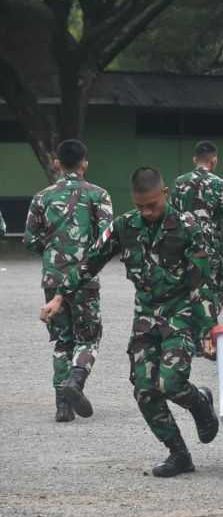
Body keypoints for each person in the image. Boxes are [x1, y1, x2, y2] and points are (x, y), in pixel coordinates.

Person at [40, 166, 219, 477]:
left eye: (152, 205)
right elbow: (90, 262)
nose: (147, 212)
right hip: (146, 318)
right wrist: (59, 296)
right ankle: (179, 455)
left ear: (165, 193)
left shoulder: (188, 226)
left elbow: (202, 282)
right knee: (145, 390)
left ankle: (200, 402)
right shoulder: (124, 226)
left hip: (181, 313)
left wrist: (208, 330)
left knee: (172, 383)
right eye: (140, 206)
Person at [24, 139, 113, 422]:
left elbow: (29, 239)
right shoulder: (99, 195)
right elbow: (108, 238)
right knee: (88, 337)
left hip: (52, 278)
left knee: (63, 340)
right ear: (85, 163)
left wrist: (52, 254)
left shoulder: (42, 197)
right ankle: (76, 382)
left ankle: (62, 405)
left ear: (57, 163)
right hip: (85, 278)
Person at [171, 141, 223, 326]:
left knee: (187, 286)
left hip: (184, 245)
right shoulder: (219, 184)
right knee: (221, 286)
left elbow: (171, 216)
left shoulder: (179, 182)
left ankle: (192, 321)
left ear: (195, 159)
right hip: (211, 247)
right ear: (214, 160)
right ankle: (206, 322)